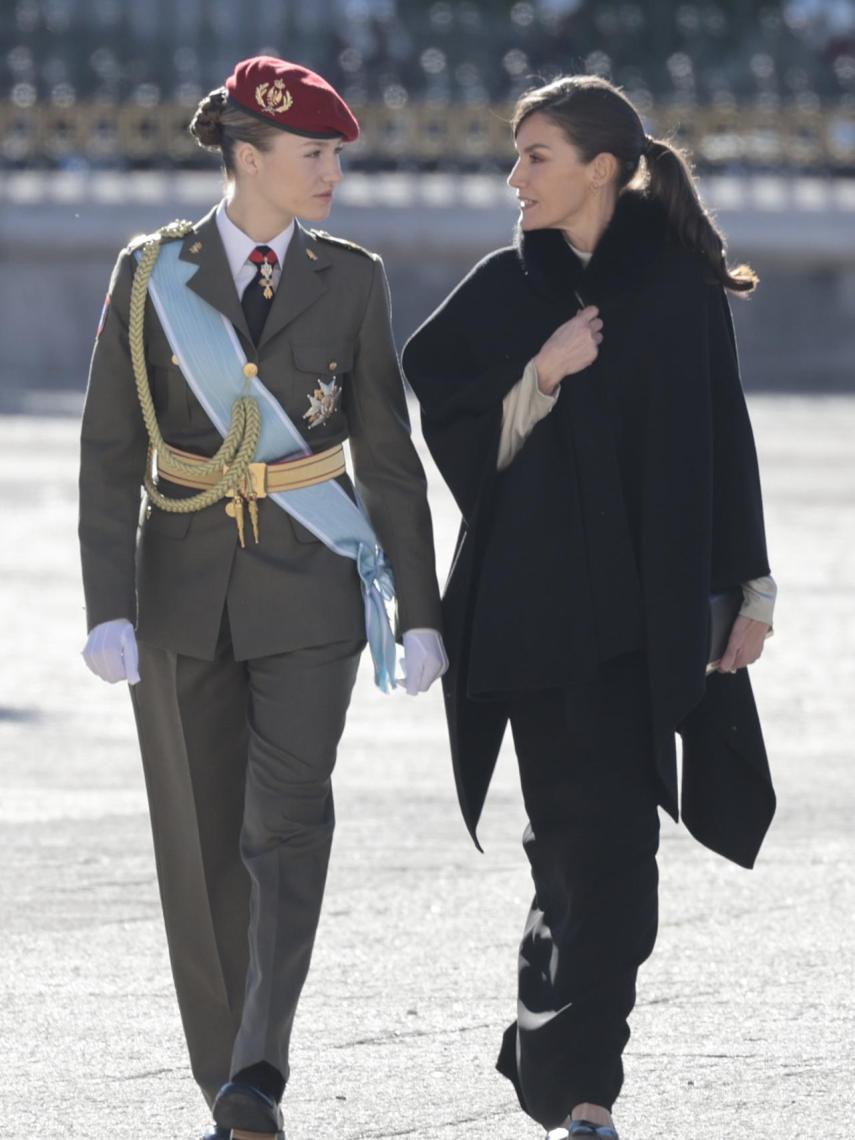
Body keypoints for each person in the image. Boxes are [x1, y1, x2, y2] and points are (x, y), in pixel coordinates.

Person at [402, 75, 777, 1140]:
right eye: (515, 155)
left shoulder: (677, 288)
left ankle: (549, 1023)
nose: (513, 177)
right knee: (588, 841)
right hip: (530, 621)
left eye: (537, 156)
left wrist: (751, 588)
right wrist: (543, 373)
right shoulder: (501, 290)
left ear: (601, 168)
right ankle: (583, 1094)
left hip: (646, 619)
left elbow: (723, 437)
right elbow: (458, 426)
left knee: (611, 860)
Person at [79, 56, 447, 1140]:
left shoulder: (354, 277)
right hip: (180, 597)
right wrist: (107, 604)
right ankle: (224, 1083)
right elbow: (109, 450)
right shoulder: (150, 274)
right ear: (249, 158)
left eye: (336, 154)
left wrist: (418, 608)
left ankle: (259, 1068)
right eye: (314, 154)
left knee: (285, 830)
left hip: (309, 599)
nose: (333, 171)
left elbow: (386, 452)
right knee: (197, 853)